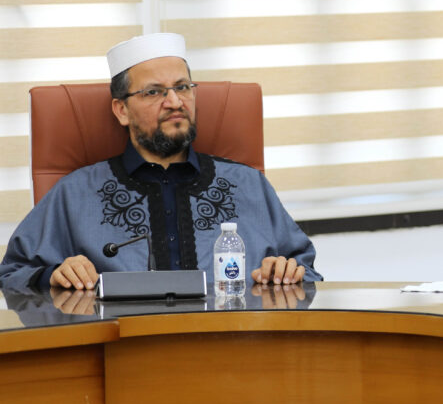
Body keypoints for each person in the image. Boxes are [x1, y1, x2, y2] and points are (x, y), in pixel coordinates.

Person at [0, 32, 320, 292]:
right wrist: (54, 275)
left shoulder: (248, 184)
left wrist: (287, 272)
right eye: (154, 92)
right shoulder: (75, 192)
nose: (175, 102)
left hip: (234, 342)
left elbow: (306, 271)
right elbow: (12, 273)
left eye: (183, 87)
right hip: (121, 346)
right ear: (121, 110)